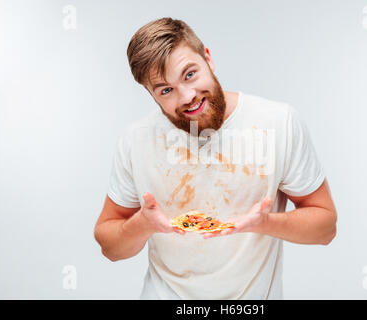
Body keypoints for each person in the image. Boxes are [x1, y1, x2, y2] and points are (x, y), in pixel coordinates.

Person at [94, 17, 337, 300]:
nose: (187, 96)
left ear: (207, 58)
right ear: (151, 94)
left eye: (189, 74)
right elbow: (110, 248)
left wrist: (265, 223)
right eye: (166, 90)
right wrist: (143, 225)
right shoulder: (135, 140)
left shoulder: (278, 122)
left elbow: (326, 229)